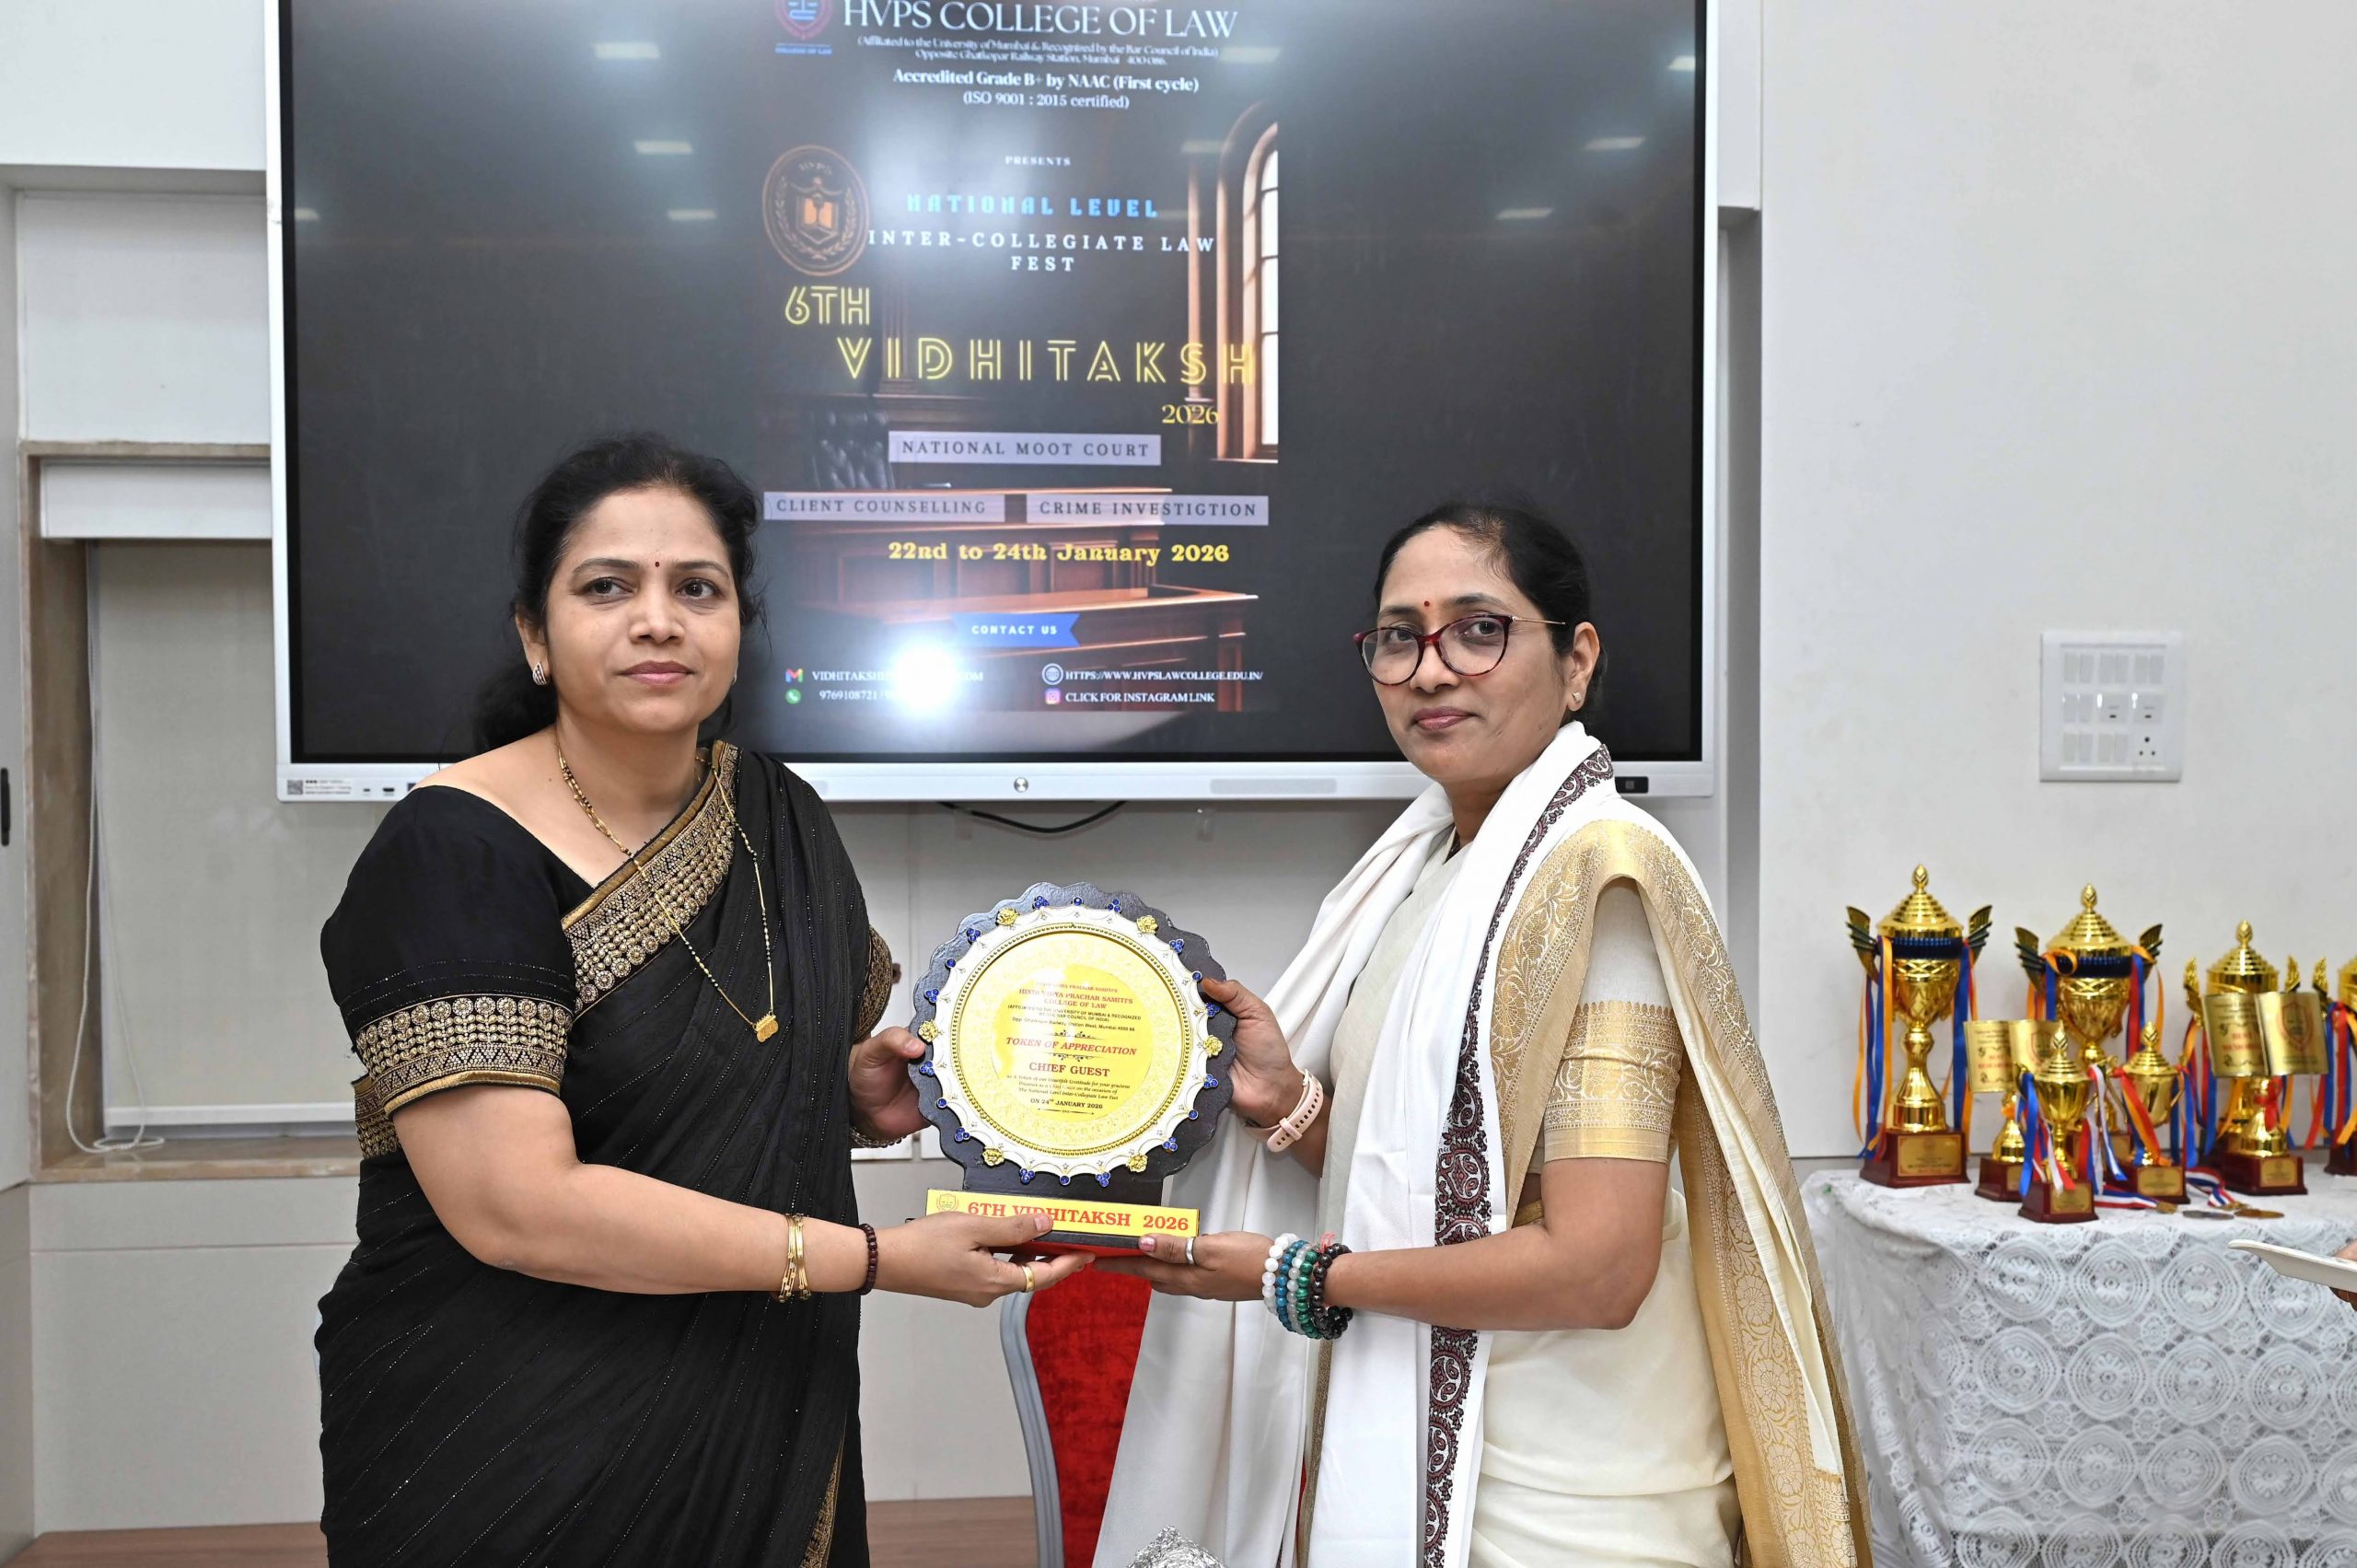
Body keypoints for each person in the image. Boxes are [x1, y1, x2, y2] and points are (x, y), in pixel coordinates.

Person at [313, 434, 1086, 1567]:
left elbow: (720, 1078)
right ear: (535, 635)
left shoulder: (779, 815)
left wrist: (842, 1089)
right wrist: (876, 1255)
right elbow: (516, 1207)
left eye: (696, 588)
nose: (657, 620)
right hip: (506, 1433)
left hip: (756, 1405)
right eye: (606, 586)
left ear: (736, 627)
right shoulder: (451, 849)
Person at [1095, 504, 1869, 1567]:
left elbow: (1598, 1269)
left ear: (1576, 660)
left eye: (1477, 628)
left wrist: (1299, 1274)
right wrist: (1293, 1106)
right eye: (1398, 637)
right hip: (1444, 1448)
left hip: (1574, 1497)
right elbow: (1449, 1182)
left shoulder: (1598, 887)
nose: (1430, 669)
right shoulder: (1422, 875)